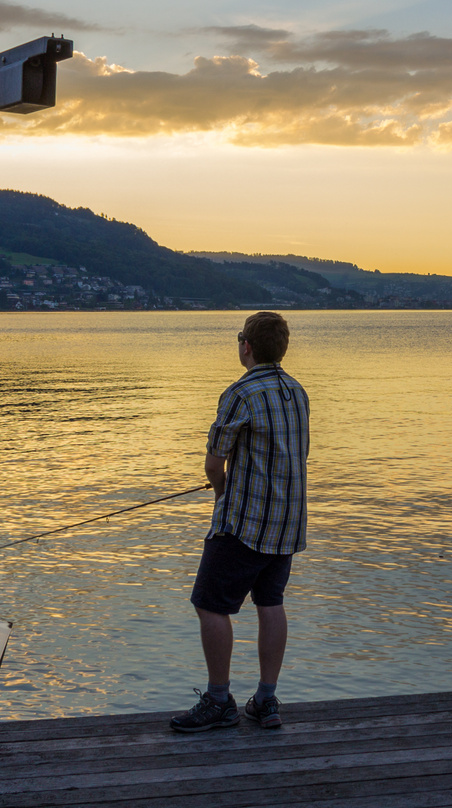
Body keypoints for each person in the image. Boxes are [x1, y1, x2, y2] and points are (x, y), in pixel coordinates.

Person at [170, 311, 309, 733]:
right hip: (287, 523)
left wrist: (220, 492)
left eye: (239, 339)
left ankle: (218, 701)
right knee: (271, 604)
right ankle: (266, 700)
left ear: (246, 346)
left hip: (244, 523)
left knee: (209, 605)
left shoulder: (241, 392)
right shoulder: (297, 391)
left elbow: (215, 465)